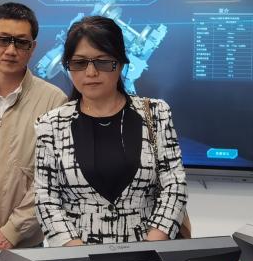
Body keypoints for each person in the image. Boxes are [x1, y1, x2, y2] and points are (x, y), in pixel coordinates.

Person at [34, 15, 187, 246]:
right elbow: (45, 198)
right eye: (79, 63)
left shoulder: (157, 114)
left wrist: (150, 248)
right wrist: (77, 253)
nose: (91, 72)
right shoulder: (50, 124)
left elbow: (174, 186)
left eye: (103, 62)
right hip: (76, 258)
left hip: (149, 253)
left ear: (121, 62)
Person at [0, 3, 67, 258]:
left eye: (21, 42)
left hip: (24, 248)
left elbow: (52, 179)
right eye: (2, 40)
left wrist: (11, 232)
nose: (11, 50)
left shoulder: (55, 102)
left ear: (33, 48)